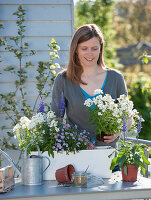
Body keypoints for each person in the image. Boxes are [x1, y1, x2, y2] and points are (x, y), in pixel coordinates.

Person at [51, 24, 128, 148]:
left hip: (109, 155)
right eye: (84, 48)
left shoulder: (116, 78)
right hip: (75, 153)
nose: (90, 53)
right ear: (76, 49)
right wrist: (77, 140)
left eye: (94, 48)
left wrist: (118, 131)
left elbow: (128, 117)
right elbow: (55, 121)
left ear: (100, 48)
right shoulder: (63, 79)